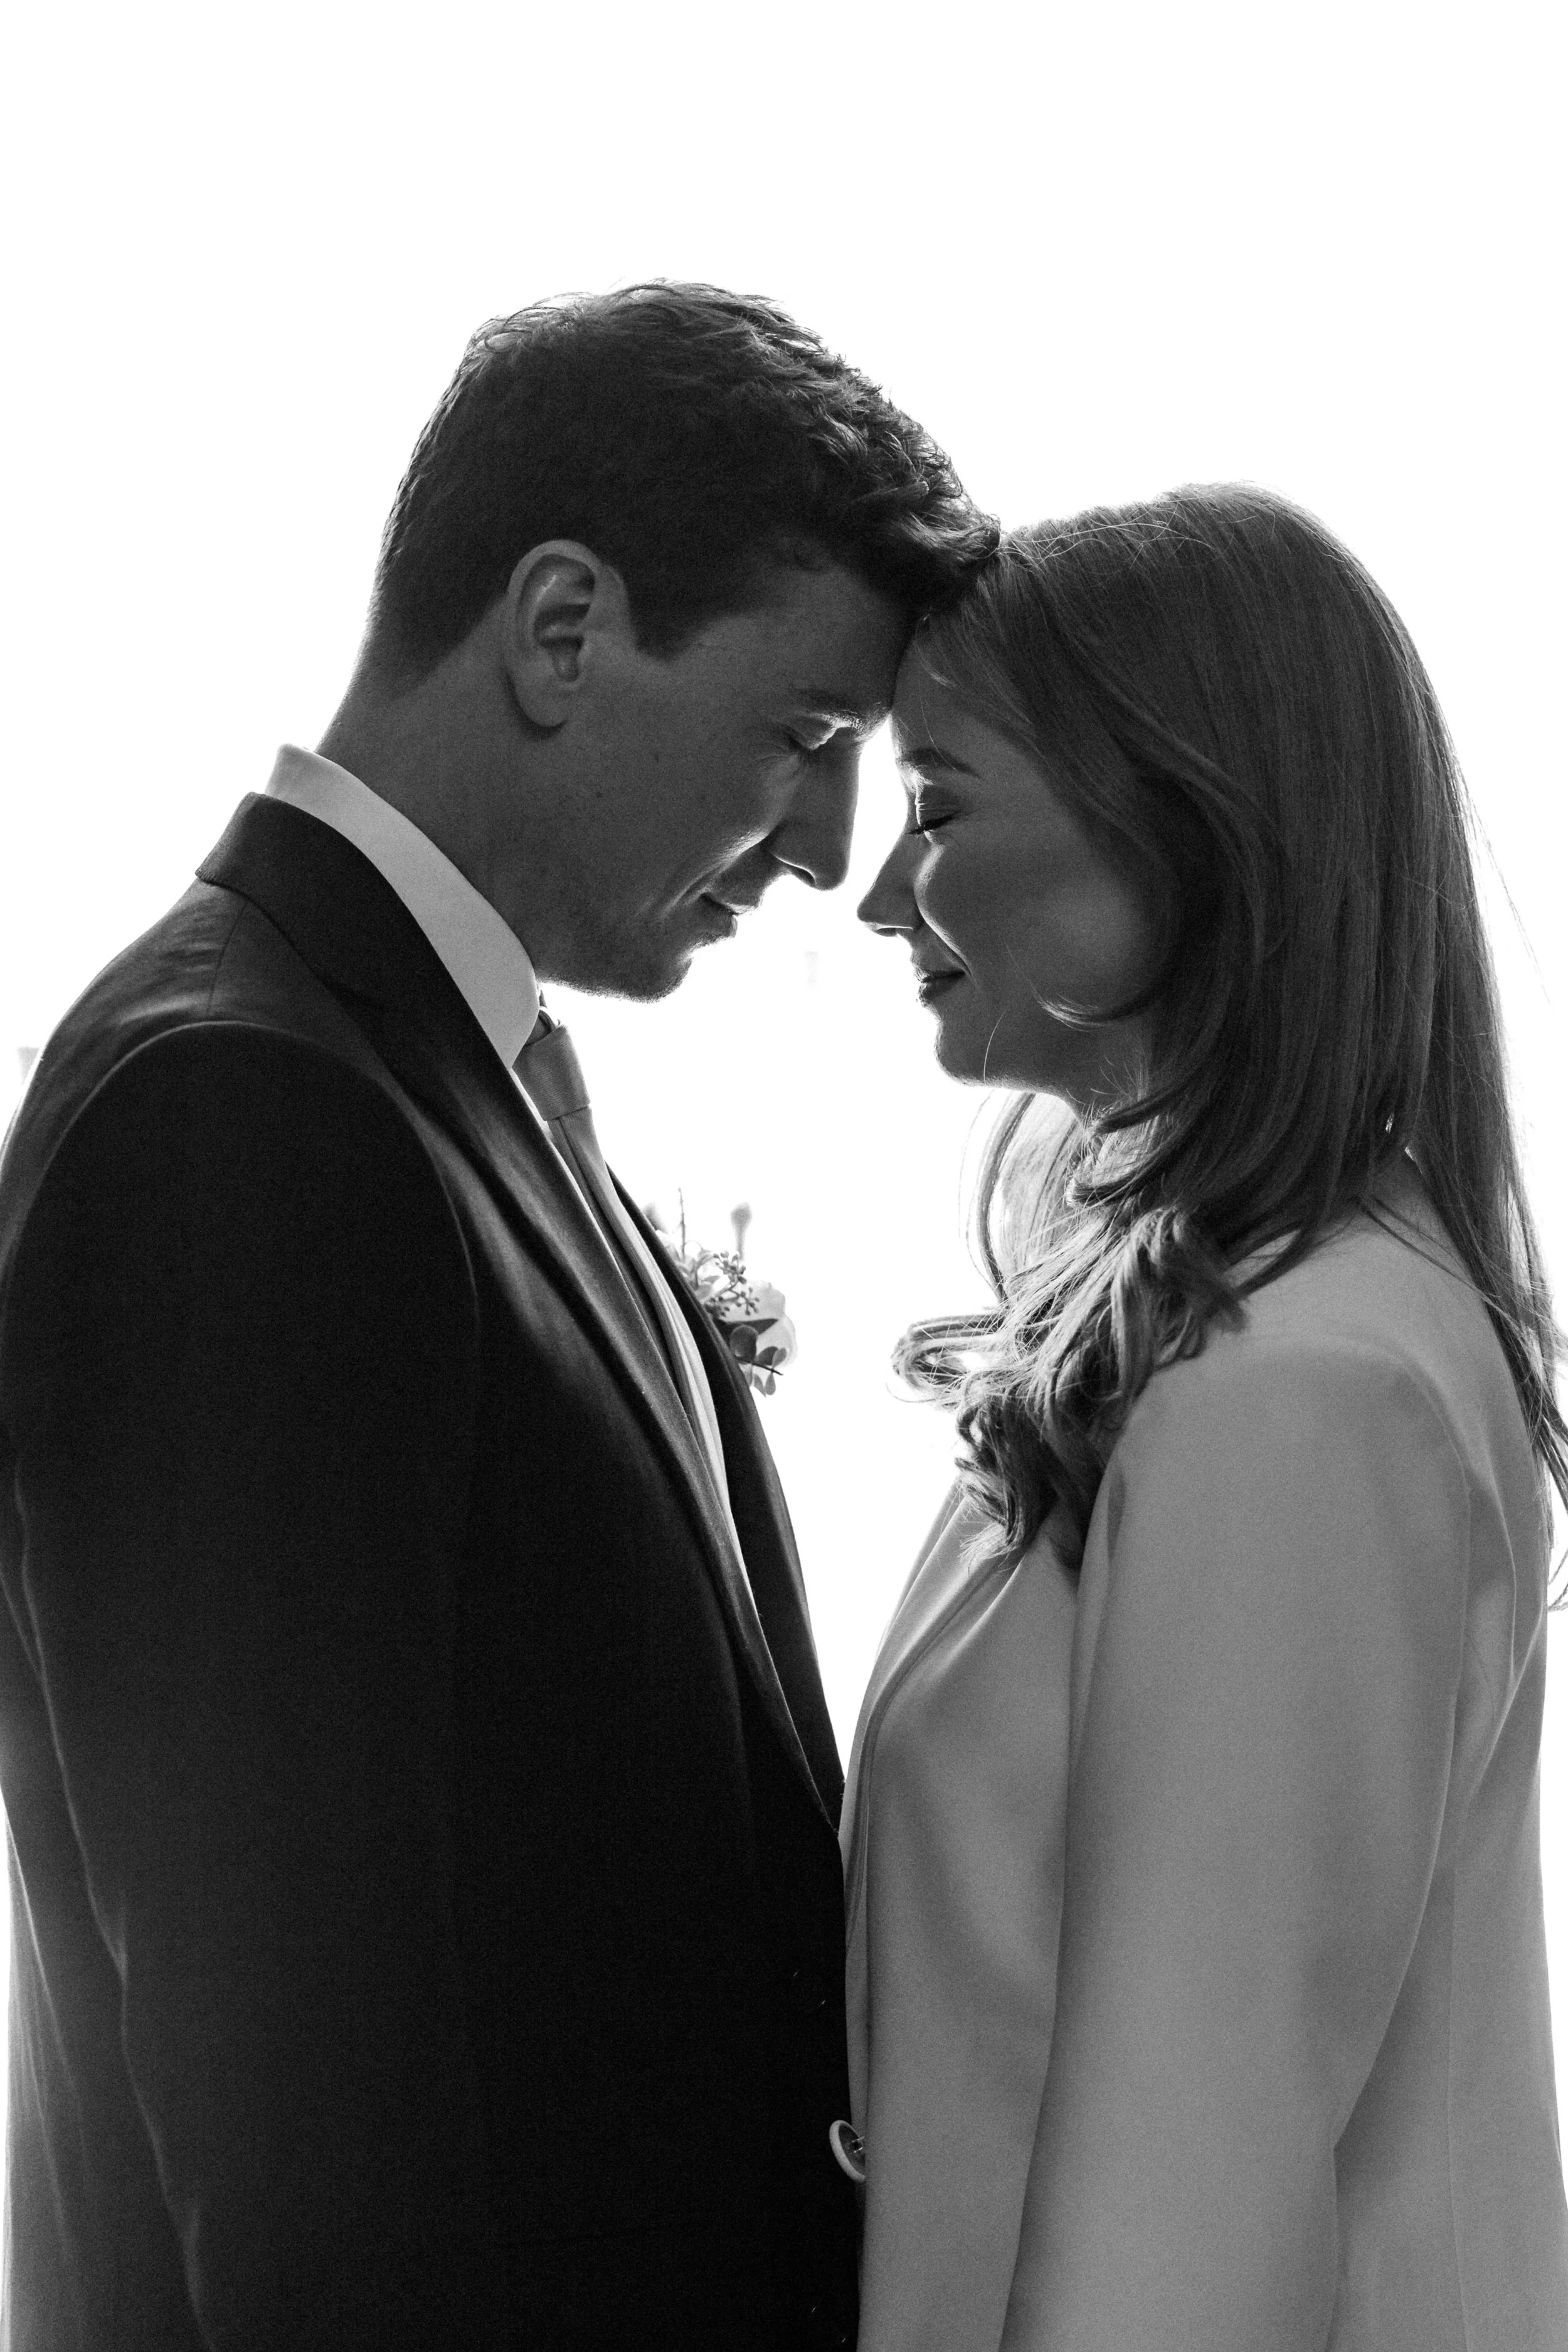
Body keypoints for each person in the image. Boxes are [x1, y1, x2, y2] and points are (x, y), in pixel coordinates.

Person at [0, 282, 995, 2351]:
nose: (824, 851)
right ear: (560, 627)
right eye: (802, 739)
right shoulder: (239, 1109)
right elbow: (291, 2110)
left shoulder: (431, 1078)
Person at [848, 485, 1568, 2349]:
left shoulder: (1300, 1392)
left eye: (935, 803)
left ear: (1180, 818)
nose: (872, 895)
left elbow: (1184, 2226)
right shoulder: (1230, 1329)